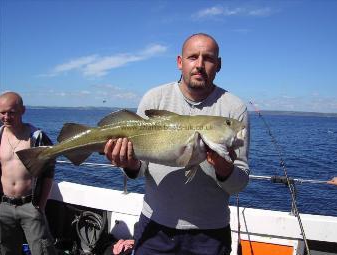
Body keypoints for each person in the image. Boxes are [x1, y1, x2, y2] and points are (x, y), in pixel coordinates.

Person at [104, 33, 250, 255]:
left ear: (218, 65)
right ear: (180, 62)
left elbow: (239, 183)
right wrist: (129, 163)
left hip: (210, 235)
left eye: (208, 58)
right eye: (193, 57)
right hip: (155, 226)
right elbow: (140, 168)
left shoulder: (234, 110)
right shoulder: (154, 98)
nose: (200, 65)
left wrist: (223, 166)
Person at [0, 92, 56, 254]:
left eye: (11, 112)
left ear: (23, 110)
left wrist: (41, 206)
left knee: (42, 250)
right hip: (3, 206)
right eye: (2, 112)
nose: (6, 117)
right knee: (6, 250)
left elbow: (48, 173)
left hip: (30, 205)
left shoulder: (37, 137)